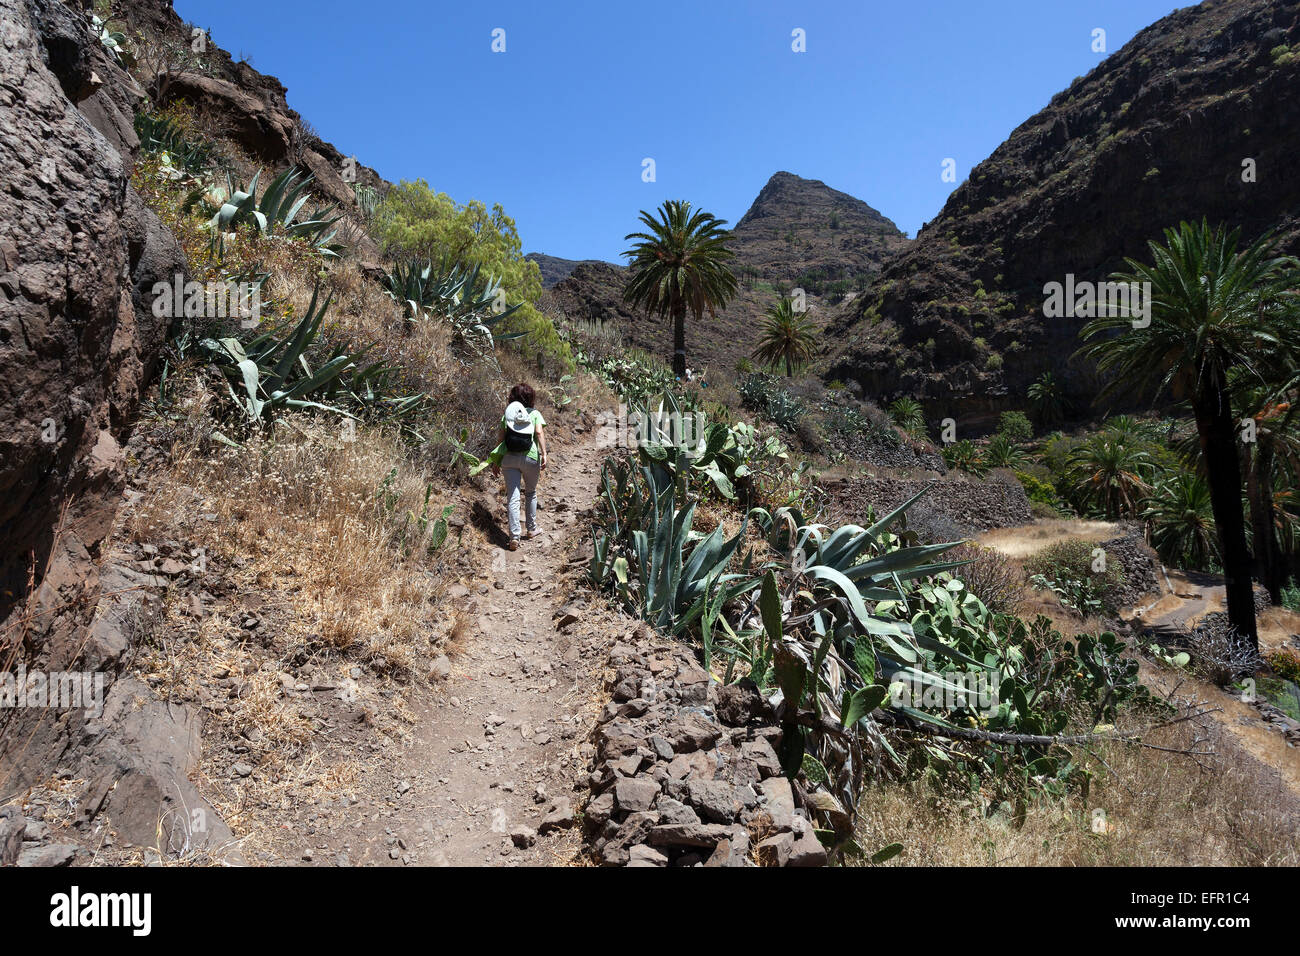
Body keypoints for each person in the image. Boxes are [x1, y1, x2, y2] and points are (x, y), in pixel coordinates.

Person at [490, 383, 547, 550]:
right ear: (531, 398)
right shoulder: (535, 413)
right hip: (530, 458)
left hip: (509, 459)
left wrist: (496, 460)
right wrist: (544, 453)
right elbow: (539, 433)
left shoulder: (508, 414)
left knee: (513, 497)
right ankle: (531, 529)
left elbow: (500, 439)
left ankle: (514, 537)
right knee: (530, 492)